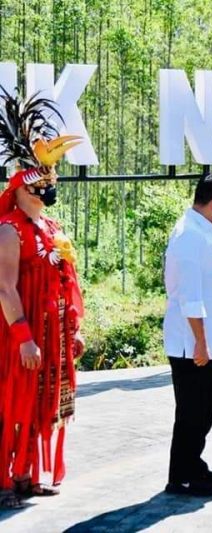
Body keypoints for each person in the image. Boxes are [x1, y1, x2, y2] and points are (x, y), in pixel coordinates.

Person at [0, 91, 85, 508]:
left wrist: (74, 330)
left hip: (53, 337)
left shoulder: (51, 227)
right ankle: (5, 480)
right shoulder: (7, 230)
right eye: (40, 184)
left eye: (50, 184)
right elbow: (4, 287)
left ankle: (29, 474)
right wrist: (24, 336)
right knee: (13, 403)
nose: (47, 191)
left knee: (43, 403)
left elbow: (65, 280)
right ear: (20, 187)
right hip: (21, 338)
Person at [163, 174, 212, 496]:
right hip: (193, 345)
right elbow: (190, 297)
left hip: (210, 343)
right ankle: (181, 475)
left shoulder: (207, 230)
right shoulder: (189, 236)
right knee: (192, 412)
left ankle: (194, 463)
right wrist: (201, 343)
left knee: (206, 409)